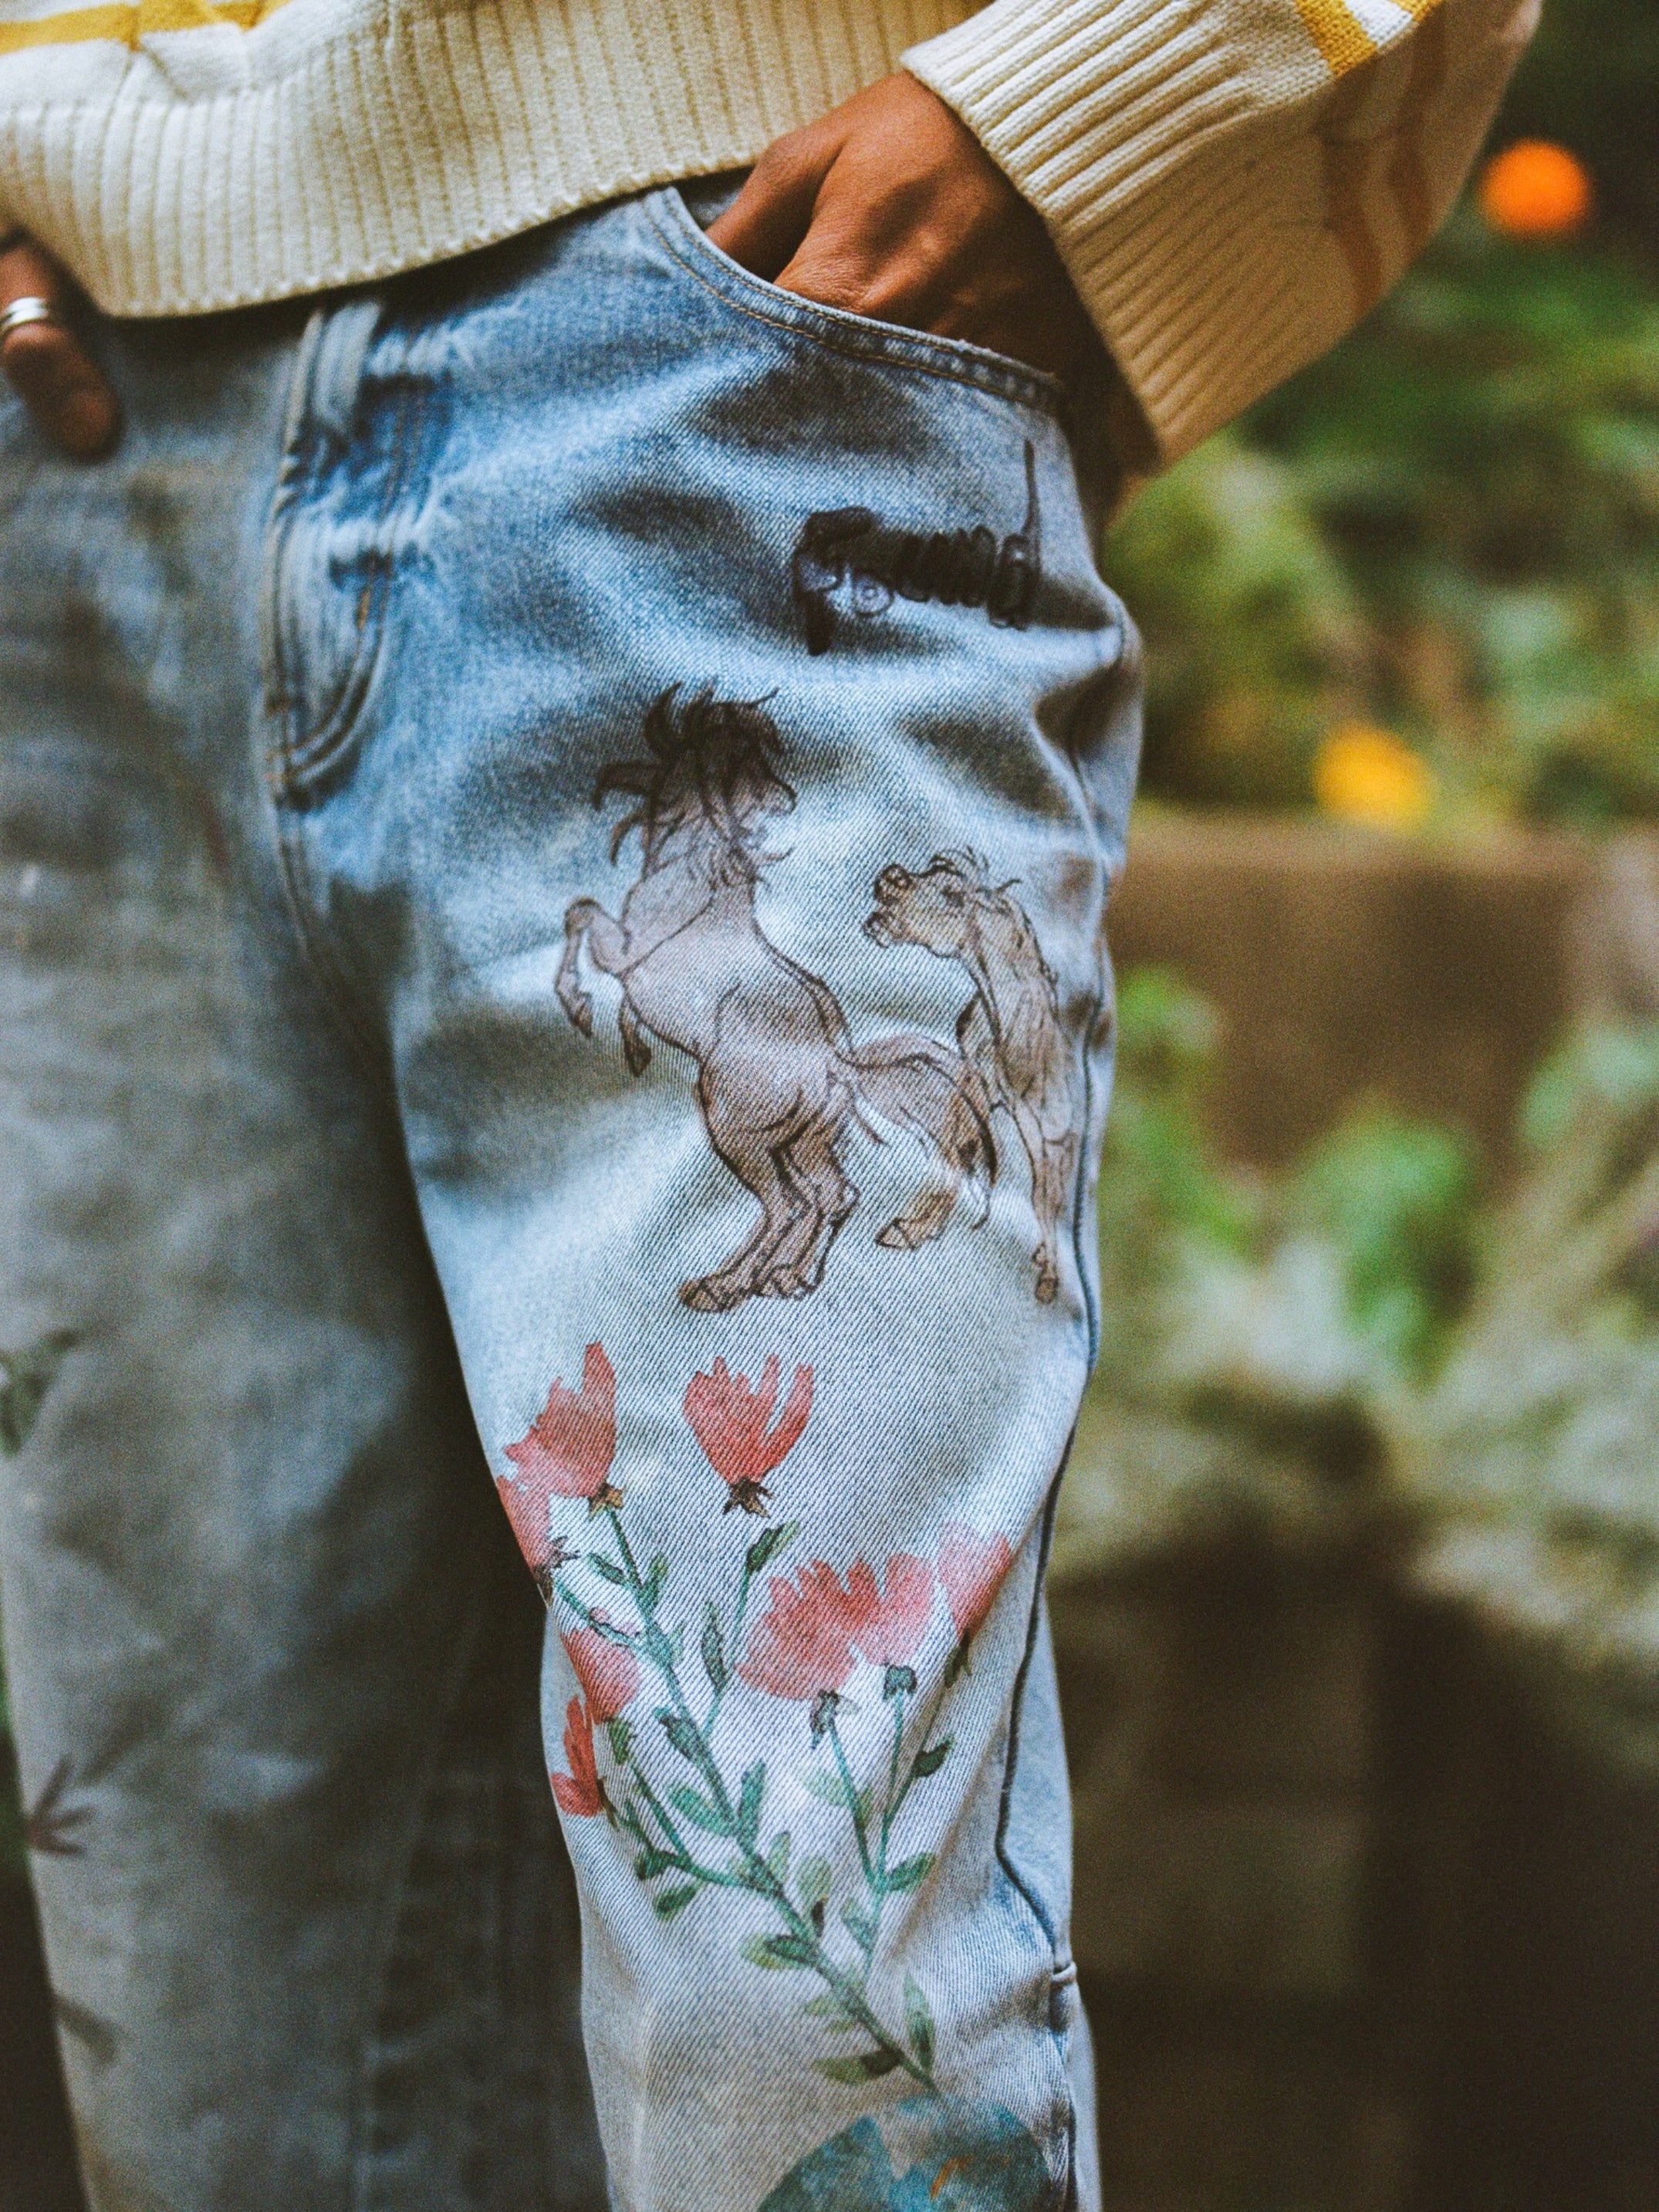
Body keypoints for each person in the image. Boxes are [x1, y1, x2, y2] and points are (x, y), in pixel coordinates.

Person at [0, 5, 1534, 2209]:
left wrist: (1096, 104)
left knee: (810, 2031)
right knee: (219, 2061)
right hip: (79, 468)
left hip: (730, 352)